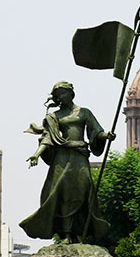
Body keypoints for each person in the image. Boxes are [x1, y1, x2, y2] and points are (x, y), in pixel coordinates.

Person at [19, 81, 115, 243]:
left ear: (71, 93)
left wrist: (106, 136)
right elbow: (48, 138)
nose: (61, 97)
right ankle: (67, 234)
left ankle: (80, 230)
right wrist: (36, 155)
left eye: (63, 93)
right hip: (62, 158)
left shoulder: (84, 113)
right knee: (61, 193)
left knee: (83, 190)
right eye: (58, 95)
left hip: (80, 157)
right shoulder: (53, 117)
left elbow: (96, 131)